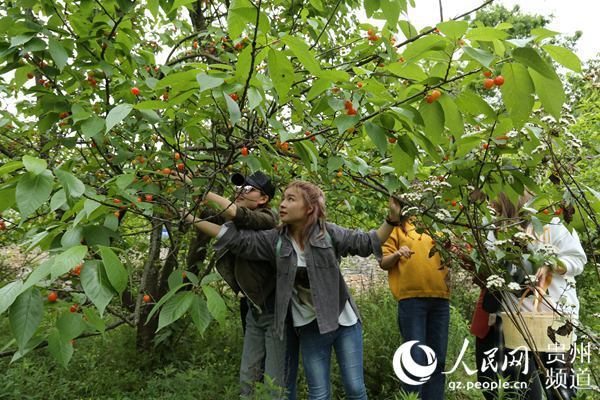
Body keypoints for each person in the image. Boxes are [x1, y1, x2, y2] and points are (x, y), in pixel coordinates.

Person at [181, 180, 402, 400]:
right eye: (283, 198)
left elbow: (366, 242)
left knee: (355, 389)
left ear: (309, 208)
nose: (282, 205)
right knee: (318, 394)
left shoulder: (328, 234)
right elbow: (233, 238)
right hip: (308, 325)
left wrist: (392, 218)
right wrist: (190, 217)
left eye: (291, 199)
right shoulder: (275, 240)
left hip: (344, 321)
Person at [174, 170, 291, 398]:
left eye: (248, 188)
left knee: (274, 382)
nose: (240, 190)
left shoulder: (269, 218)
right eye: (239, 186)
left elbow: (237, 215)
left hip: (274, 310)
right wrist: (185, 210)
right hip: (252, 308)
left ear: (263, 199)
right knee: (247, 376)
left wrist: (192, 183)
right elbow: (211, 215)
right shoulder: (233, 216)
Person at [471, 193, 587, 400]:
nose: (490, 205)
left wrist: (550, 263)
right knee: (522, 387)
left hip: (554, 320)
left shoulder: (551, 223)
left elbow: (577, 259)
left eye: (494, 200)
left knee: (560, 387)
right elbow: (489, 265)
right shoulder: (495, 228)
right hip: (516, 322)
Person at [379, 212, 450, 400]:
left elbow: (452, 254)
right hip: (411, 301)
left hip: (440, 299)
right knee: (415, 359)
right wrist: (397, 254)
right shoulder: (397, 226)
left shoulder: (438, 223)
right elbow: (383, 262)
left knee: (438, 359)